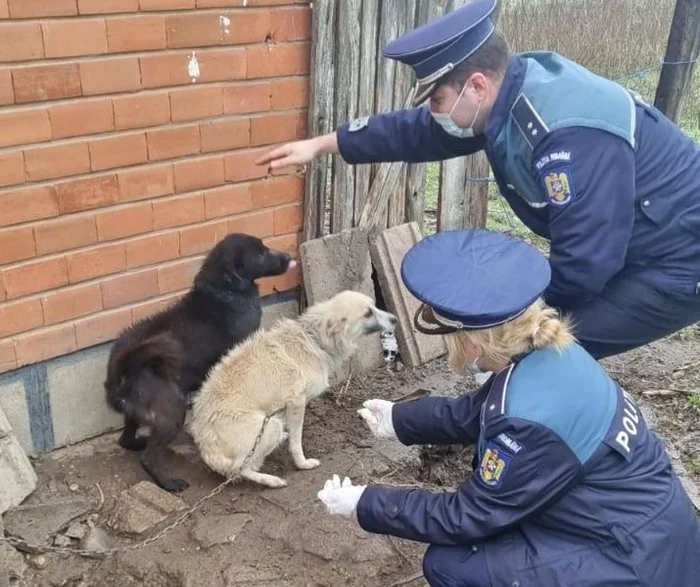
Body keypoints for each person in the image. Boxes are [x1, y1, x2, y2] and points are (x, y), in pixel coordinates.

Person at [256, 0, 700, 361]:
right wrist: (323, 144)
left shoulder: (565, 136)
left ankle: (526, 450)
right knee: (527, 348)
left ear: (478, 86)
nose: (434, 112)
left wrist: (508, 322)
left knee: (545, 350)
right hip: (634, 235)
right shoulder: (510, 93)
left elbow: (586, 263)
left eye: (439, 100)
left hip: (679, 257)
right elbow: (416, 132)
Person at [315, 228, 700, 587]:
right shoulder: (551, 353)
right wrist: (397, 419)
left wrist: (365, 503)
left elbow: (466, 517)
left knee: (451, 565)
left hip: (632, 560)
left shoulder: (527, 422)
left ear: (474, 345)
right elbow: (475, 412)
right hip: (645, 526)